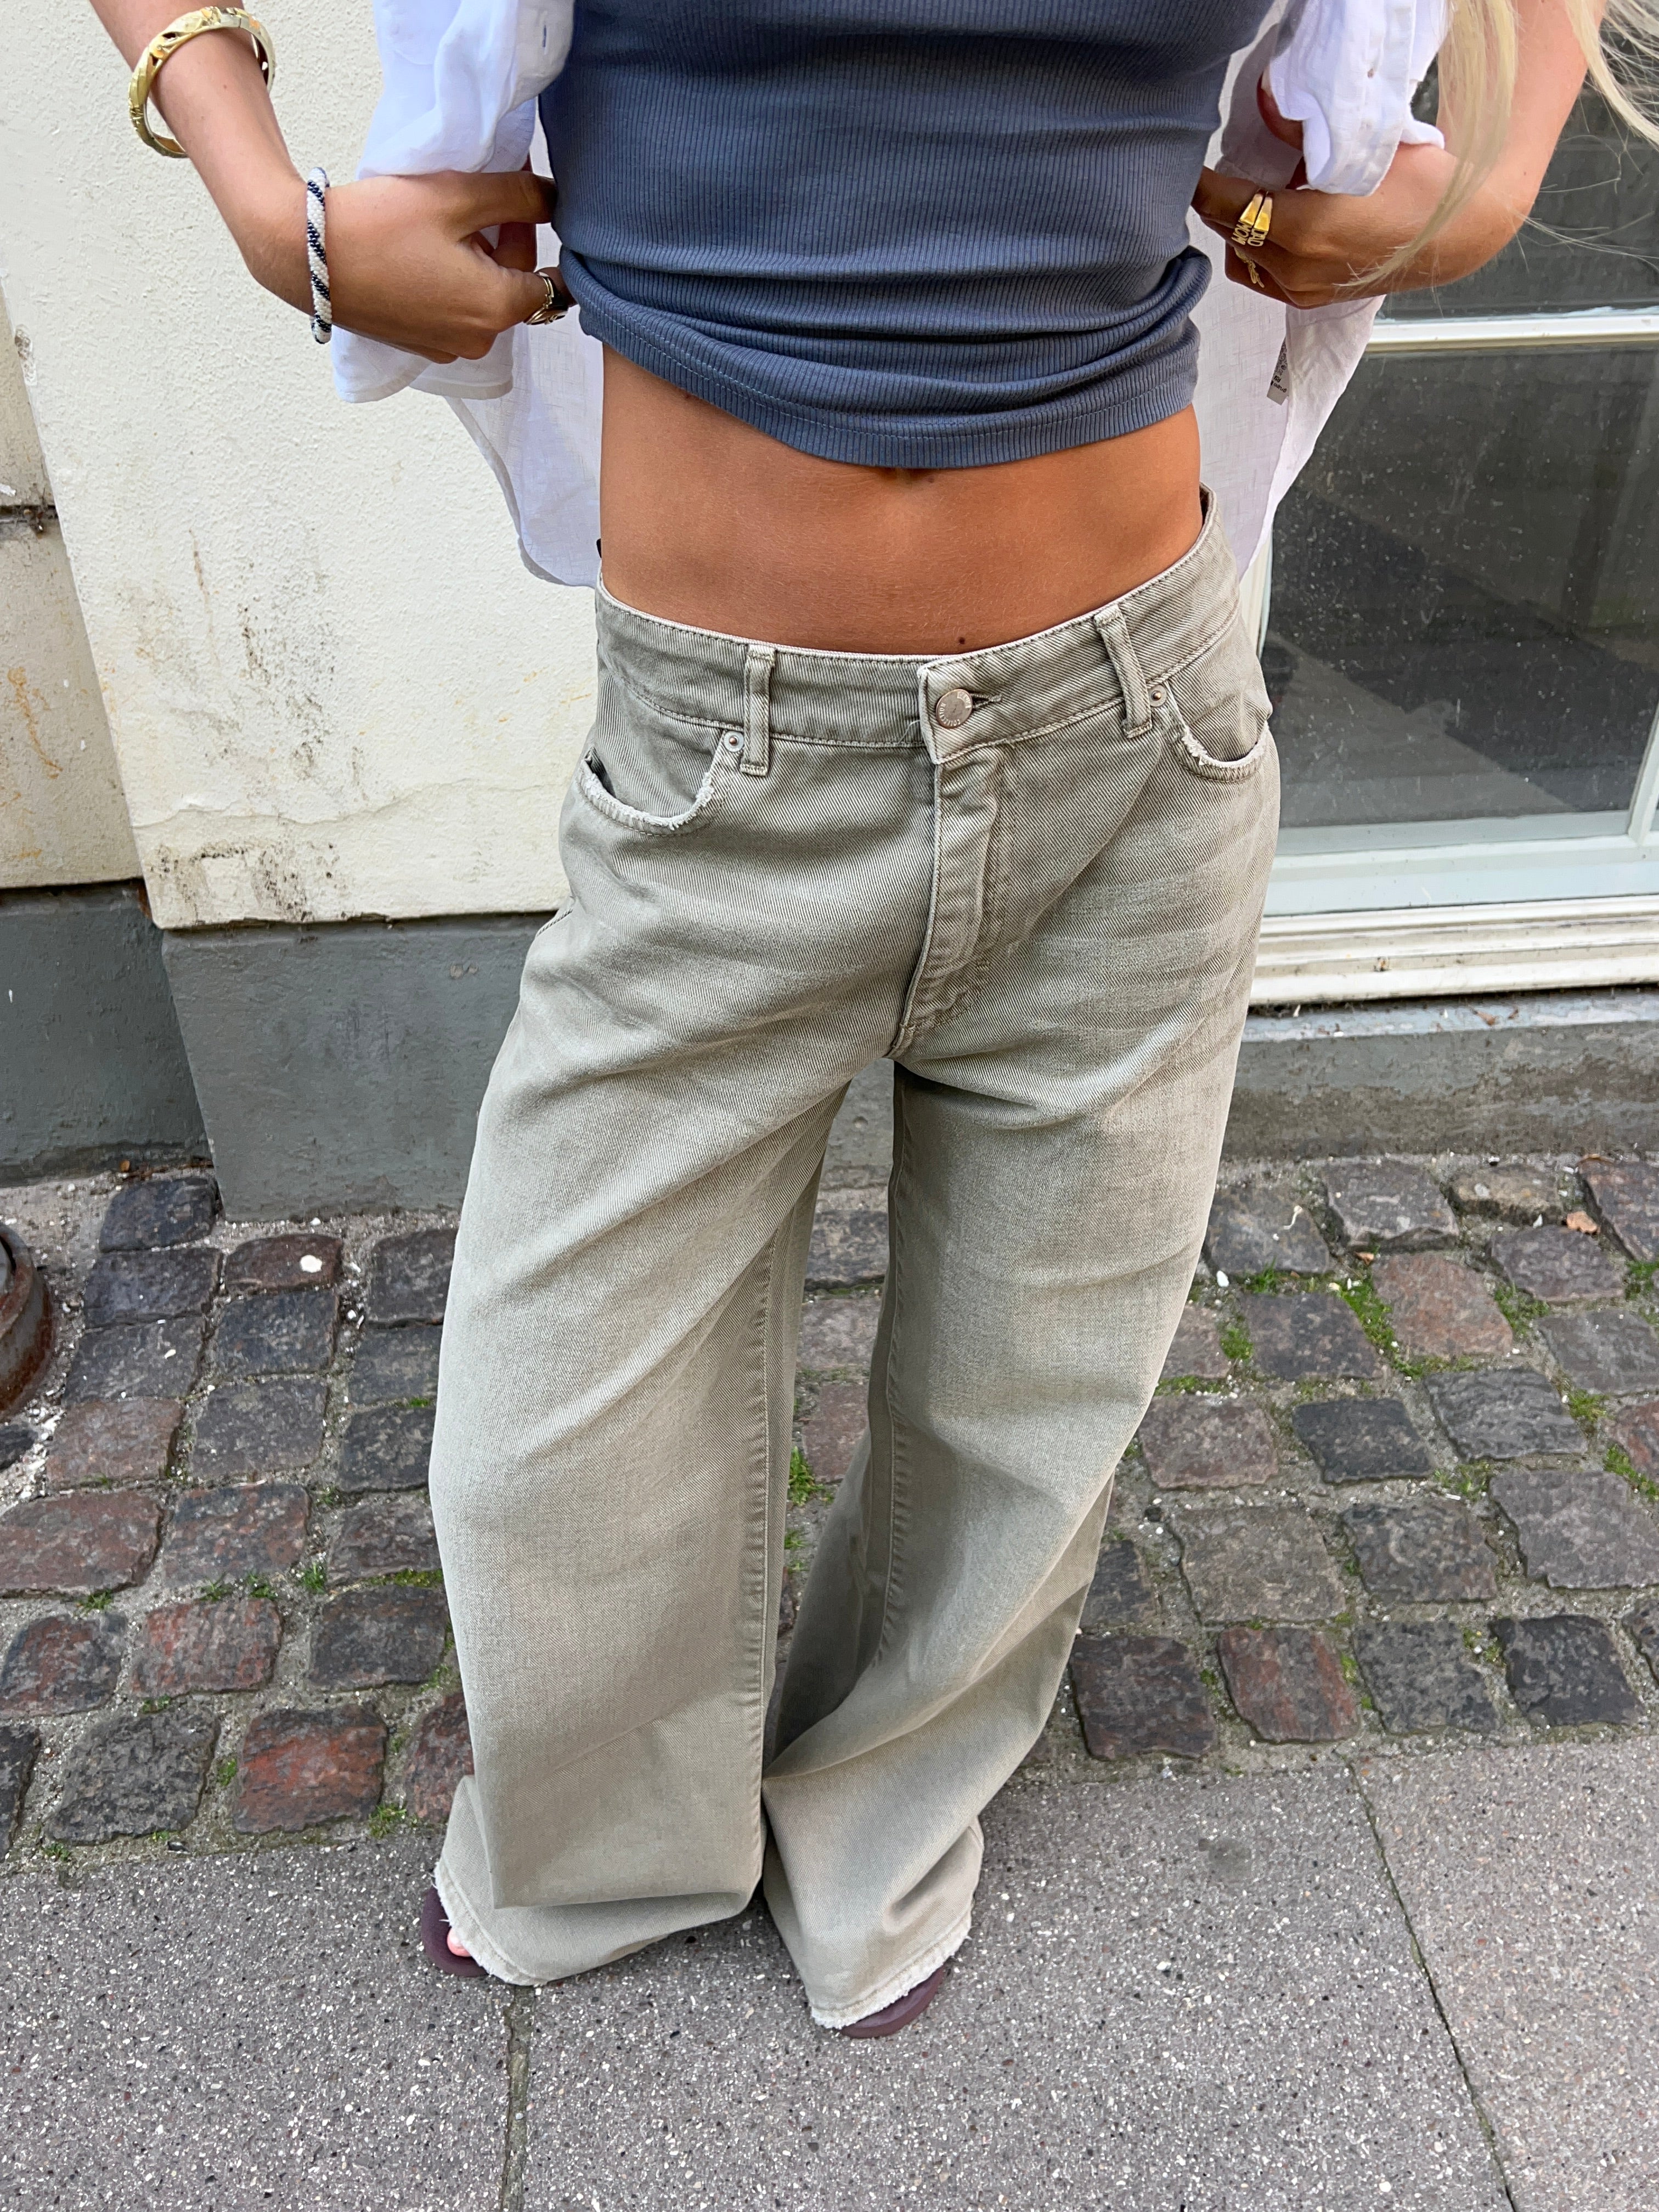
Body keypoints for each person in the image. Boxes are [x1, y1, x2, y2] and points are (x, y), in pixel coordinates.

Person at [92, 0, 1651, 2035]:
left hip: (1143, 718)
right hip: (724, 761)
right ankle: (607, 1843)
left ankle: (882, 1820)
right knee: (554, 1424)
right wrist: (251, 191)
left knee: (1034, 1373)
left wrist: (1496, 188)